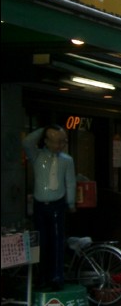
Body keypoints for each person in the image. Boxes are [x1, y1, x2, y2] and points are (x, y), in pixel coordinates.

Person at [23, 124, 76, 290]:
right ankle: (43, 277)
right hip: (40, 204)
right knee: (41, 242)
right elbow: (26, 143)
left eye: (62, 141)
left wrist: (71, 202)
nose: (59, 145)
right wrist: (43, 128)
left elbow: (71, 182)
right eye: (55, 141)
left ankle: (57, 276)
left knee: (57, 241)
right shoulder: (37, 156)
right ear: (46, 141)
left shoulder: (67, 160)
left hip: (57, 204)